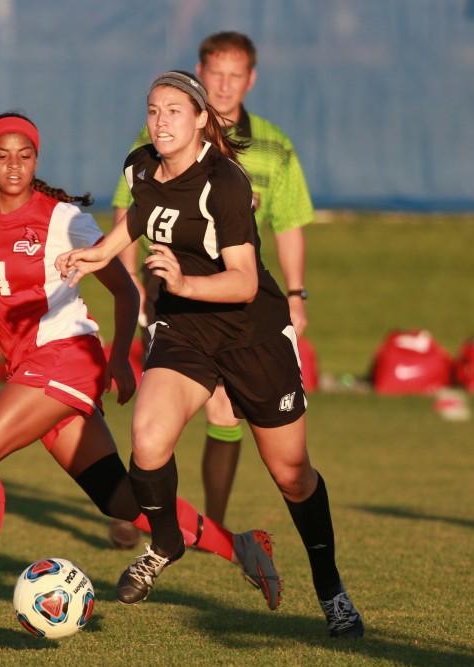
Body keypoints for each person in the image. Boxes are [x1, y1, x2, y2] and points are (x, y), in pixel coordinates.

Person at [0, 112, 280, 627]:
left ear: (37, 159)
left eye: (24, 155)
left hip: (66, 357)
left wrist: (118, 358)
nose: (13, 165)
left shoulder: (62, 219)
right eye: (2, 155)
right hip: (28, 368)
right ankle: (243, 547)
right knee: (119, 499)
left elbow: (125, 290)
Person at [57, 72, 362, 638]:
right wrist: (96, 255)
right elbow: (139, 221)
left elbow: (244, 282)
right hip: (185, 331)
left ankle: (330, 587)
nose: (161, 120)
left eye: (174, 109)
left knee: (292, 474)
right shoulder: (141, 164)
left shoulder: (223, 183)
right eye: (153, 109)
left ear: (201, 119)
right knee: (147, 441)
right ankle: (167, 541)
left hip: (253, 335)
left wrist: (185, 281)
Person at [110, 31, 315, 534]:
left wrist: (295, 292)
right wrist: (131, 288)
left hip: (234, 305)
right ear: (200, 77)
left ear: (251, 80)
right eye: (215, 75)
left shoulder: (271, 147)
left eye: (234, 76)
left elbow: (287, 223)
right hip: (169, 302)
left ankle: (213, 528)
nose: (224, 86)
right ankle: (146, 518)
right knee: (154, 424)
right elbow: (130, 212)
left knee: (228, 415)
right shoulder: (158, 136)